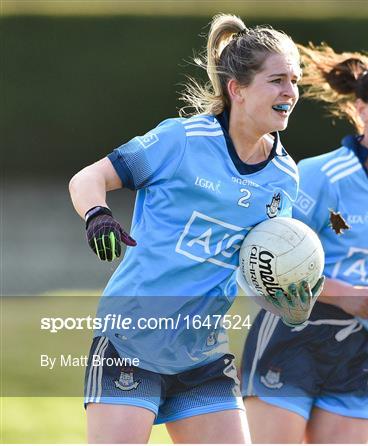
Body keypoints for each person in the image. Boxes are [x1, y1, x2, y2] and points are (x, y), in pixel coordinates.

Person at [68, 14, 322, 444]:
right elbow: (87, 178)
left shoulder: (284, 178)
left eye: (294, 81)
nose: (290, 93)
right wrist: (98, 214)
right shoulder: (181, 140)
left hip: (202, 354)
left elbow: (257, 266)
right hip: (131, 341)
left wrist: (290, 307)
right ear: (237, 89)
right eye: (277, 80)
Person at [241, 43, 368, 444]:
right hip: (290, 340)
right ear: (361, 109)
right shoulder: (319, 175)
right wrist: (343, 295)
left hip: (358, 351)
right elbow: (265, 268)